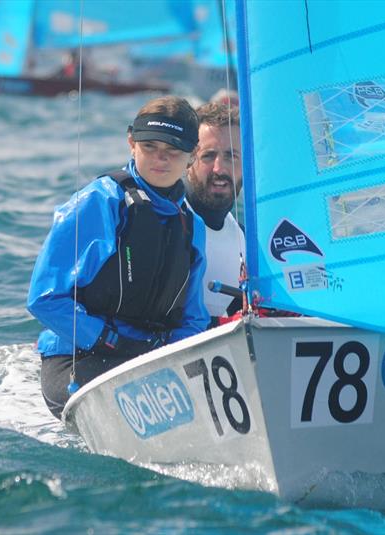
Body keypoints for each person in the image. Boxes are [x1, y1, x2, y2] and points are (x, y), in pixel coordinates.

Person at [27, 96, 209, 419]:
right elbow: (44, 298)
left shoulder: (192, 225)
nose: (160, 158)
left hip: (149, 358)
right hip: (77, 356)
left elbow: (192, 318)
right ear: (131, 142)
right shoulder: (98, 203)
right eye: (150, 146)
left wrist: (172, 357)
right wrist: (108, 340)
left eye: (173, 150)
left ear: (192, 156)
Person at [185, 102, 245, 323]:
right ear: (188, 161)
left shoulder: (244, 239)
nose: (219, 169)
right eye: (208, 156)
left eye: (231, 156)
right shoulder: (166, 224)